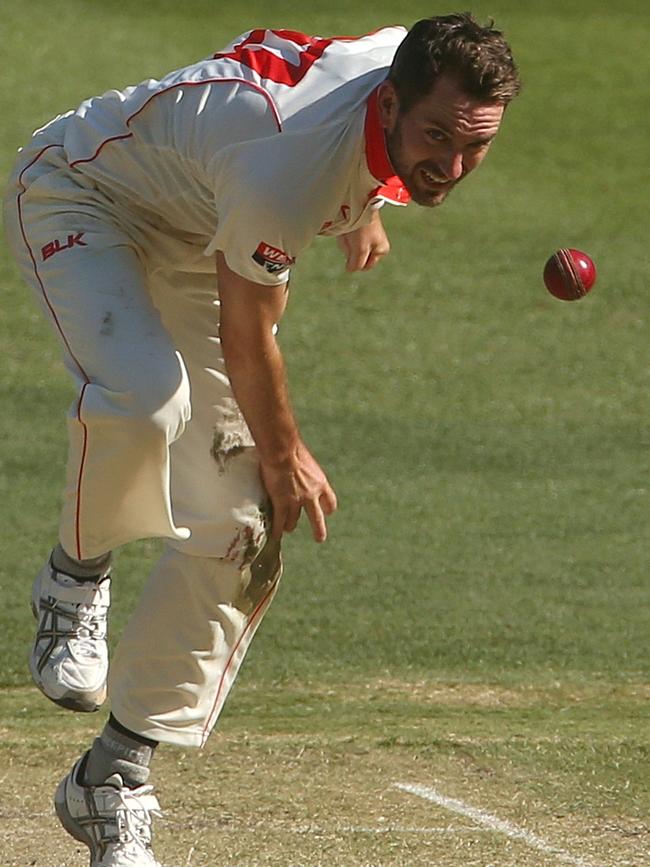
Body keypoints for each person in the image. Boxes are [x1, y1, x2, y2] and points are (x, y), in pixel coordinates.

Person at [3, 13, 520, 866]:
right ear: (390, 103)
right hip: (83, 197)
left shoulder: (404, 69)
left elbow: (330, 65)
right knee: (147, 397)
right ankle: (72, 582)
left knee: (243, 526)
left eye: (475, 147)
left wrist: (369, 200)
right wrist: (284, 454)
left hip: (204, 223)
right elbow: (250, 334)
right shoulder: (286, 165)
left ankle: (113, 778)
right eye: (436, 138)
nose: (453, 166)